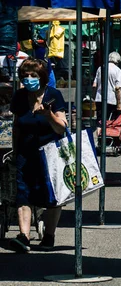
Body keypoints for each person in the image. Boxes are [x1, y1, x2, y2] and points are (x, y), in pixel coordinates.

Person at [9, 59, 67, 253]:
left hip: (50, 154)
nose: (28, 79)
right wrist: (15, 151)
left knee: (52, 195)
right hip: (26, 153)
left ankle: (49, 235)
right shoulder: (19, 97)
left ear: (42, 77)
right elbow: (17, 125)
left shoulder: (54, 95)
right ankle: (24, 237)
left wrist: (49, 115)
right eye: (25, 76)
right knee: (23, 194)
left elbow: (62, 128)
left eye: (33, 75)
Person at [92, 51, 121, 126]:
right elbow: (118, 88)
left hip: (99, 99)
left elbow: (94, 85)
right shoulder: (118, 70)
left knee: (100, 122)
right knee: (110, 122)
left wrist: (93, 98)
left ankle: (99, 135)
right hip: (112, 100)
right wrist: (119, 105)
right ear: (118, 61)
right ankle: (107, 136)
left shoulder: (100, 68)